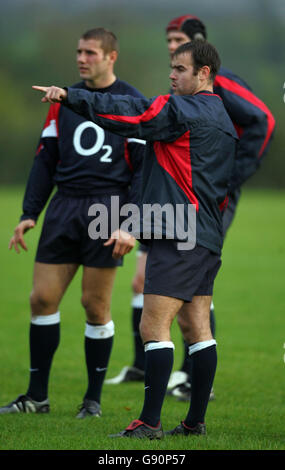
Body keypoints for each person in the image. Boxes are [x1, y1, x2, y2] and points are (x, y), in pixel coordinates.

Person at [32, 39, 238, 438]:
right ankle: (194, 424)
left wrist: (71, 98)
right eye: (171, 68)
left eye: (179, 69)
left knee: (153, 327)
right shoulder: (226, 122)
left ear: (203, 73)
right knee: (197, 327)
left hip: (177, 231)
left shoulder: (182, 110)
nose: (171, 75)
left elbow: (133, 113)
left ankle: (148, 423)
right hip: (208, 234)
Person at [105, 14, 276, 399]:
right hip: (172, 200)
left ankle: (183, 378)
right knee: (153, 285)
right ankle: (147, 367)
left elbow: (264, 120)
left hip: (201, 201)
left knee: (190, 296)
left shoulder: (219, 82)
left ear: (201, 61)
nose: (170, 46)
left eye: (178, 39)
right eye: (167, 40)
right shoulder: (182, 88)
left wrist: (232, 177)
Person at [0, 28, 145, 418]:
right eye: (79, 52)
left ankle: (92, 401)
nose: (82, 58)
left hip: (107, 210)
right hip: (64, 206)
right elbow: (45, 158)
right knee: (41, 299)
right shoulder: (59, 98)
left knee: (94, 305)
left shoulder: (131, 101)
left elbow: (142, 172)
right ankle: (36, 397)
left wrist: (129, 223)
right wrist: (29, 213)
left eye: (91, 52)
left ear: (111, 57)